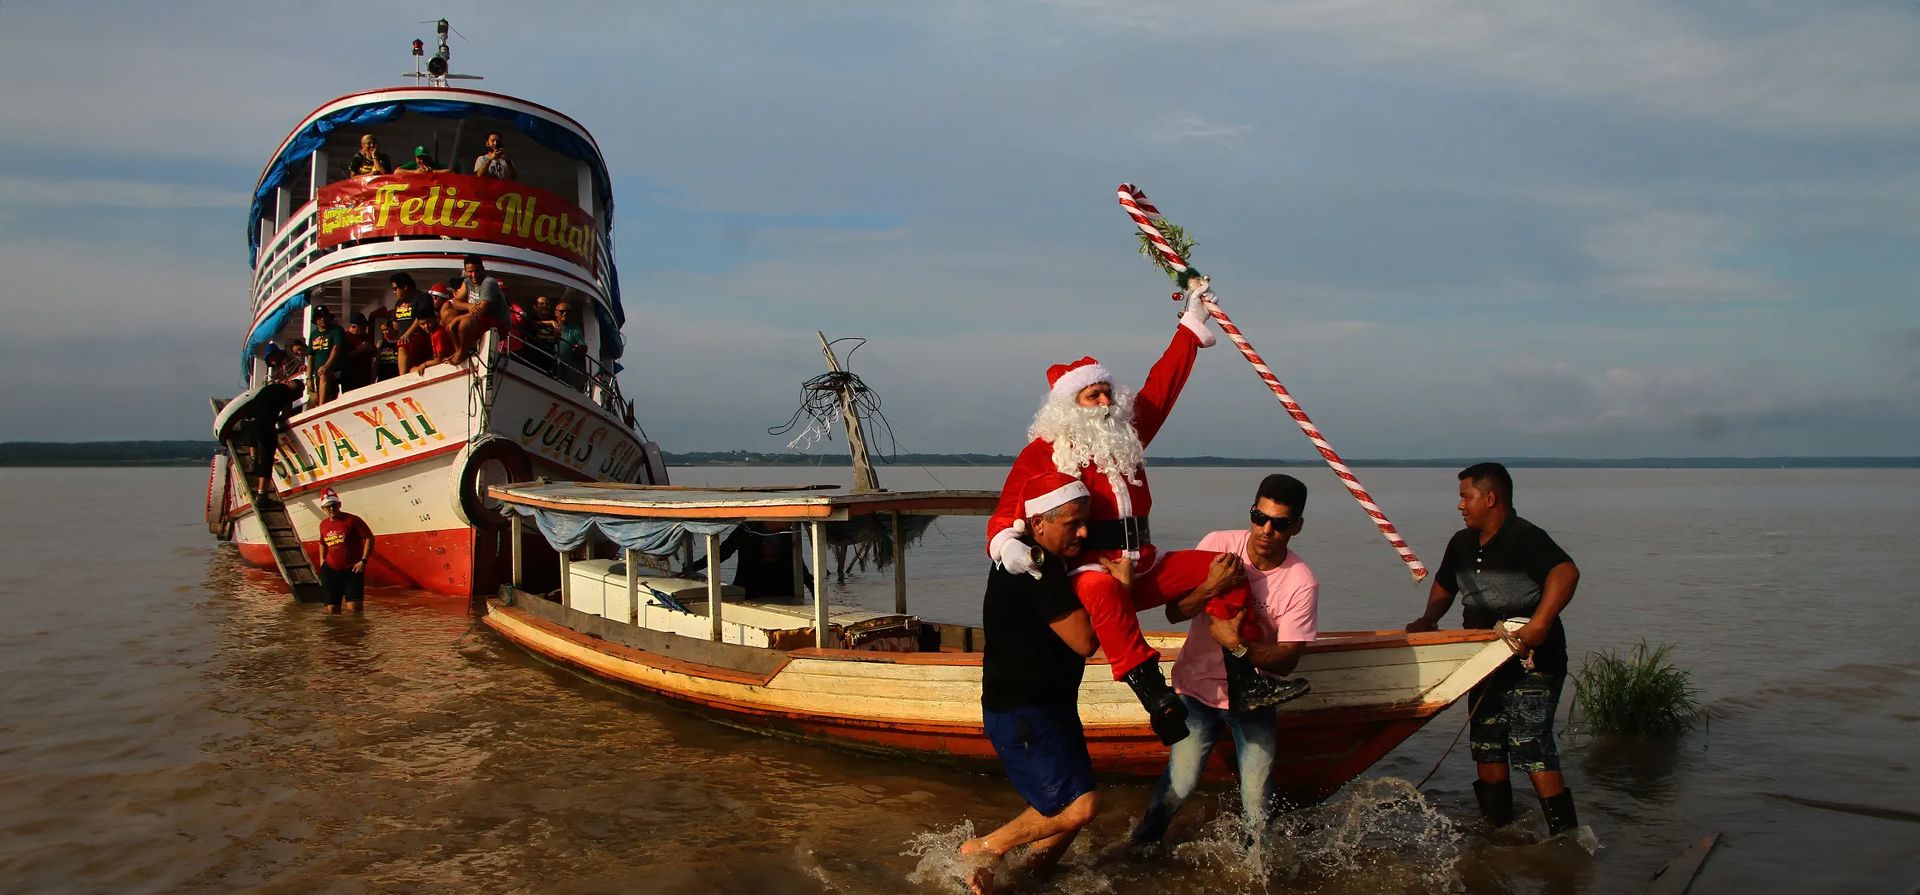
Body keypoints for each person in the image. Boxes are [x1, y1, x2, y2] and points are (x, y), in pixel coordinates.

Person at [986, 282, 1298, 746]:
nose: (1106, 403)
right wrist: (1008, 547)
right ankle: (1155, 696)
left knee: (1225, 569)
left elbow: (1163, 386)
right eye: (1093, 396)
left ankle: (1244, 677)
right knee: (1098, 586)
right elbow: (1004, 514)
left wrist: (1191, 325)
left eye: (1108, 393)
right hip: (1094, 567)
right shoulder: (1043, 453)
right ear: (1070, 406)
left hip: (1146, 561)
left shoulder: (1127, 435)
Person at [1130, 474, 1318, 850]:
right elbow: (1174, 614)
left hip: (1254, 698)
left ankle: (1257, 869)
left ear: (1296, 526)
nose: (1266, 530)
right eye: (1259, 516)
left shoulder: (1301, 581)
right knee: (1180, 783)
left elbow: (1288, 660)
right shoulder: (1219, 544)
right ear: (1251, 511)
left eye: (1279, 524)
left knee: (1256, 796)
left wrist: (1238, 645)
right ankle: (1141, 847)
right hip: (1197, 691)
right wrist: (1211, 587)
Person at [1406, 462, 1582, 839]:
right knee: (1486, 743)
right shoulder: (1461, 542)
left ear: (1490, 497)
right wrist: (1427, 620)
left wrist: (1539, 624)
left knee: (1531, 744)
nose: (1460, 505)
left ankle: (1564, 836)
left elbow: (1565, 573)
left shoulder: (1525, 537)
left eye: (1465, 497)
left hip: (1534, 659)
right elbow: (1444, 585)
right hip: (1483, 660)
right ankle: (1497, 830)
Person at [958, 472, 1112, 895]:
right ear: (1039, 524)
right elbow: (1084, 641)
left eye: (1086, 522)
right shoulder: (1033, 568)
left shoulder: (1036, 557)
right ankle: (984, 848)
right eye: (1072, 524)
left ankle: (1029, 879)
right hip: (1024, 712)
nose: (1083, 532)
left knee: (1069, 807)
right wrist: (1118, 586)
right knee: (1080, 805)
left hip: (1051, 705)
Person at [684, 523, 814, 601]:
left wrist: (814, 590)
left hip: (782, 593)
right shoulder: (746, 531)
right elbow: (723, 552)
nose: (791, 523)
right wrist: (693, 567)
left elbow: (800, 567)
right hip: (751, 591)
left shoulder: (788, 534)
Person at [317, 488, 374, 615]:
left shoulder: (352, 520)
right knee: (331, 610)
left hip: (352, 569)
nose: (331, 509)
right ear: (323, 509)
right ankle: (337, 634)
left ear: (339, 505)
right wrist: (322, 561)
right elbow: (322, 542)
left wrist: (363, 560)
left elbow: (369, 538)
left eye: (334, 505)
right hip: (330, 570)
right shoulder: (323, 524)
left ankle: (357, 633)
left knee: (354, 609)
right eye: (328, 507)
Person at [444, 254, 506, 364]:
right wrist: (468, 306)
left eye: (477, 271)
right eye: (470, 272)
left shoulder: (488, 283)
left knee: (465, 322)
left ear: (483, 269)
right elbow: (456, 302)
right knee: (448, 313)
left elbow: (482, 311)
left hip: (496, 323)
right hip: (479, 320)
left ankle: (463, 352)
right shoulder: (467, 282)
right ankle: (459, 350)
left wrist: (457, 319)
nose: (474, 275)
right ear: (466, 271)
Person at [389, 273, 436, 374]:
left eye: (395, 288)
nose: (394, 292)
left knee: (402, 345)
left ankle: (402, 379)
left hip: (419, 338)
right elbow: (395, 325)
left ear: (405, 287)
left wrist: (407, 334)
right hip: (405, 341)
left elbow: (421, 318)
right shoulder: (398, 302)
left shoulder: (423, 297)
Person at [306, 306, 347, 405]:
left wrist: (326, 366)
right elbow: (311, 356)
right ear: (315, 320)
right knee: (315, 399)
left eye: (324, 316)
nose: (322, 319)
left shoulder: (336, 330)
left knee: (327, 399)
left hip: (333, 371)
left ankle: (321, 408)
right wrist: (309, 378)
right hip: (317, 375)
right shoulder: (313, 334)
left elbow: (336, 348)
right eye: (319, 317)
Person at [552, 300, 588, 386]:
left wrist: (579, 347)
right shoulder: (551, 326)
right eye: (562, 312)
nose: (564, 314)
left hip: (566, 366)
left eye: (567, 312)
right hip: (550, 362)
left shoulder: (575, 329)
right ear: (556, 313)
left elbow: (584, 347)